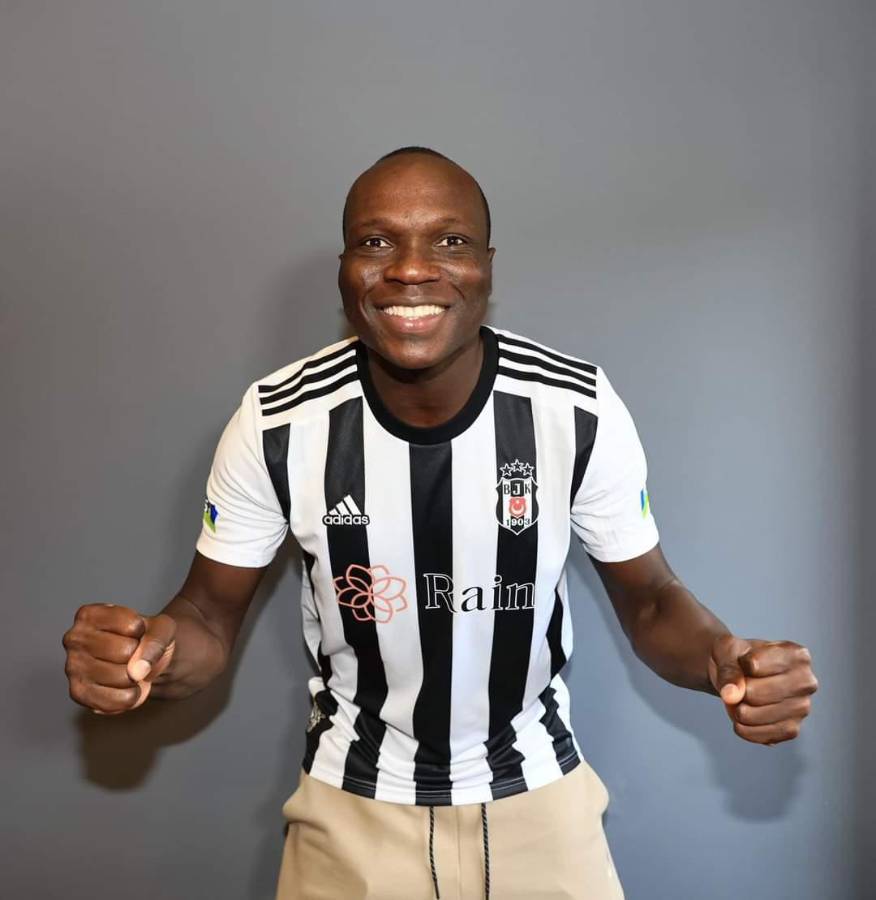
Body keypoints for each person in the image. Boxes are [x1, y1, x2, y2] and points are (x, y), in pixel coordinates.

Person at [62, 147, 819, 899]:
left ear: (487, 267)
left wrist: (723, 658)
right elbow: (206, 614)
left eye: (449, 241)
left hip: (540, 805)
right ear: (344, 269)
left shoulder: (575, 408)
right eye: (377, 241)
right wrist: (145, 657)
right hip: (351, 812)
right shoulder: (278, 422)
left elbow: (651, 600)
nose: (411, 269)